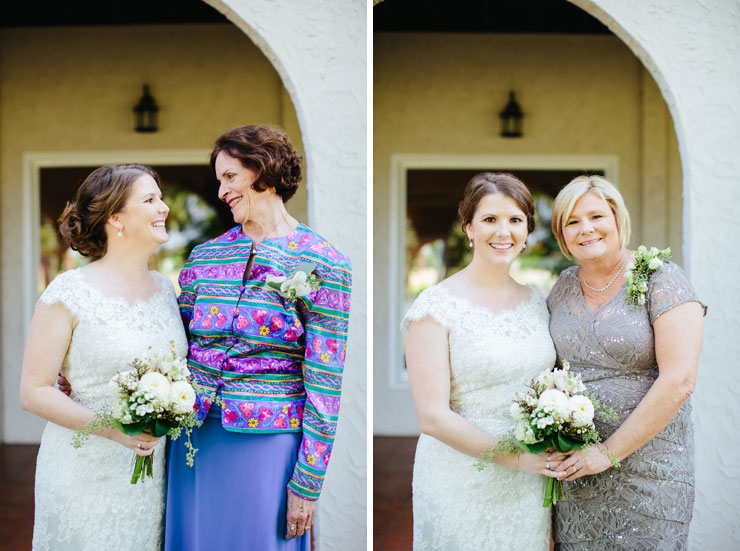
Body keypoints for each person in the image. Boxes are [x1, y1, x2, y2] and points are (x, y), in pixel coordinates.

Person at [164, 125, 352, 550]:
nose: (221, 191)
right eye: (219, 180)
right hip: (194, 439)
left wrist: (308, 483)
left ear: (263, 171)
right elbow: (172, 345)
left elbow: (325, 378)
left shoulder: (324, 263)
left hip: (269, 439)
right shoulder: (204, 258)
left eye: (230, 177)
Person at [19, 164, 187, 551]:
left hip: (151, 478)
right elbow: (33, 391)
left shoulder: (166, 291)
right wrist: (112, 428)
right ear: (115, 218)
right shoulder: (69, 291)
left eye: (160, 198)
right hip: (84, 475)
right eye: (150, 200)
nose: (163, 207)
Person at [403, 172, 568, 550]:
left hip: (528, 482)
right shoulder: (435, 306)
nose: (503, 231)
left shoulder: (537, 302)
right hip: (459, 477)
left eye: (515, 220)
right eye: (490, 219)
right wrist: (515, 459)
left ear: (527, 230)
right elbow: (432, 417)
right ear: (469, 228)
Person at [547, 175, 705, 550]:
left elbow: (679, 379)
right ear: (562, 234)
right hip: (578, 473)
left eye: (596, 216)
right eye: (572, 221)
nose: (585, 228)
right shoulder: (562, 287)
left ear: (618, 219)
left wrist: (606, 453)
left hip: (651, 471)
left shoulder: (663, 279)